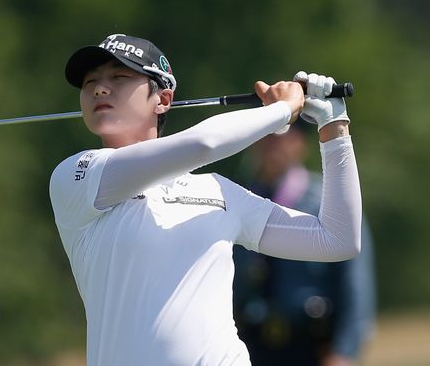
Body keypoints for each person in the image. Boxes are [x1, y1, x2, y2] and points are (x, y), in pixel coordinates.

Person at [49, 33, 362, 366]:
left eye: (119, 77)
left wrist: (333, 125)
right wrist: (282, 111)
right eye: (90, 82)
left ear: (163, 99)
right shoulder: (77, 176)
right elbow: (205, 144)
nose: (99, 88)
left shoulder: (218, 191)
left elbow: (337, 239)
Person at [232, 123, 376, 366]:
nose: (270, 146)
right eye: (264, 137)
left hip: (311, 344)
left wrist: (345, 351)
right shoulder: (238, 200)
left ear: (300, 144)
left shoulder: (327, 204)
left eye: (279, 138)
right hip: (250, 343)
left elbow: (355, 283)